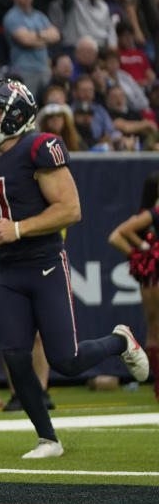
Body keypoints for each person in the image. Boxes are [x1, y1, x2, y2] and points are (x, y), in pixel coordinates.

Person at [0, 78, 150, 458]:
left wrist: (19, 228)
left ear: (18, 114)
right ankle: (48, 438)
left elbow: (70, 209)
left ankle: (120, 340)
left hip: (44, 264)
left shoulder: (39, 147)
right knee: (14, 356)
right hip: (8, 271)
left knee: (67, 360)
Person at [107, 171, 159, 402]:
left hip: (149, 279)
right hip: (155, 277)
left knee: (153, 329)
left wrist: (141, 254)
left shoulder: (145, 213)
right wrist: (145, 252)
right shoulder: (153, 214)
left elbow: (117, 237)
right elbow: (117, 235)